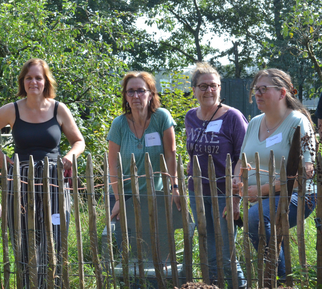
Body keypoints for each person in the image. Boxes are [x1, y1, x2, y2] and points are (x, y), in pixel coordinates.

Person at [0, 58, 85, 287]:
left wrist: (69, 156)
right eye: (29, 78)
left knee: (55, 240)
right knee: (24, 241)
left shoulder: (59, 109)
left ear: (46, 81)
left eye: (38, 77)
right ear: (23, 81)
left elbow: (79, 141)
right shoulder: (12, 110)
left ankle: (52, 285)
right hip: (21, 184)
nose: (34, 82)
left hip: (54, 183)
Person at [232, 68, 316, 281]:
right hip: (257, 196)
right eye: (256, 89)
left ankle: (280, 280)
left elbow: (306, 171)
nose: (257, 94)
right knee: (245, 217)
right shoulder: (254, 122)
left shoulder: (297, 121)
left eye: (264, 89)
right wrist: (236, 184)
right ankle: (272, 277)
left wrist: (261, 189)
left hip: (296, 194)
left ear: (282, 93)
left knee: (256, 218)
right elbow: (242, 160)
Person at [185, 62, 248, 288]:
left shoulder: (233, 117)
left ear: (220, 88)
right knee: (208, 248)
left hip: (224, 193)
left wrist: (235, 193)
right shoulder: (190, 117)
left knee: (225, 250)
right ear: (194, 89)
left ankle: (239, 286)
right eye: (203, 86)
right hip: (197, 192)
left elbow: (245, 154)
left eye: (213, 86)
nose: (208, 91)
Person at [108, 71, 179, 224]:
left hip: (156, 194)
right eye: (131, 91)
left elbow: (170, 155)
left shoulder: (161, 118)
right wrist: (119, 199)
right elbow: (113, 164)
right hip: (124, 194)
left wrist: (175, 187)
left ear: (151, 94)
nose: (135, 96)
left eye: (141, 90)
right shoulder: (118, 124)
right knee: (126, 243)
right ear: (126, 96)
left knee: (156, 241)